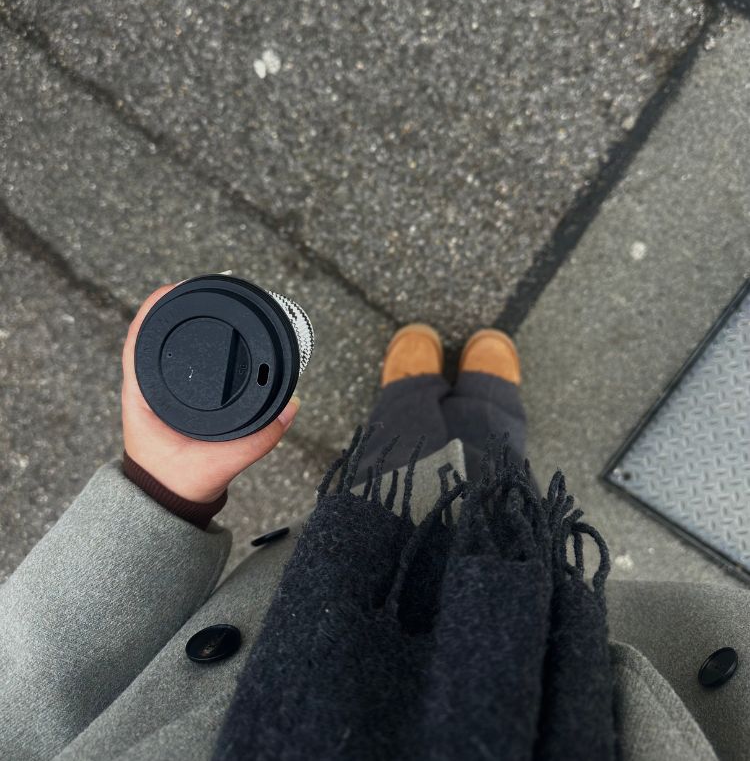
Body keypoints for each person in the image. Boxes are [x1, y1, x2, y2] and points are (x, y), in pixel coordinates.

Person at [0, 283, 746, 761]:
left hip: (331, 593)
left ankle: (415, 401)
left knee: (388, 479)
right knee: (500, 500)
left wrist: (159, 492)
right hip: (552, 656)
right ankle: (482, 415)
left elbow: (23, 704)